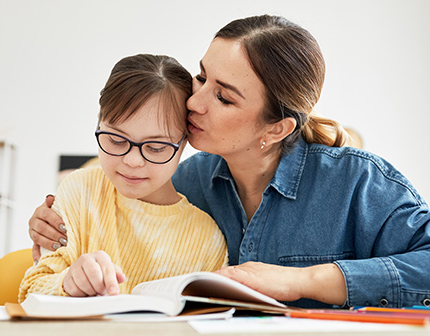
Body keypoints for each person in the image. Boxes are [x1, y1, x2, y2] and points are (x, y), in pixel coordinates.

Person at [28, 15, 430, 309]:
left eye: (224, 97)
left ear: (275, 129)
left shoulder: (357, 182)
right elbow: (101, 200)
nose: (194, 101)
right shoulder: (189, 181)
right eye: (202, 77)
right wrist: (51, 223)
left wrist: (304, 280)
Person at [19, 54, 227, 301]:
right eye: (116, 140)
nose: (132, 161)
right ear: (99, 123)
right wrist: (67, 282)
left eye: (156, 147)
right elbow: (31, 289)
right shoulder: (81, 190)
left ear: (184, 143)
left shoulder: (206, 237)